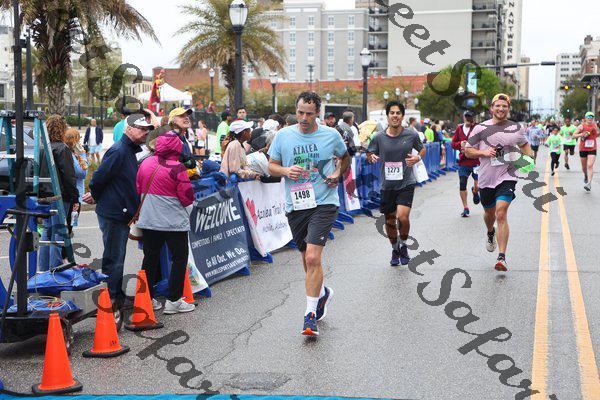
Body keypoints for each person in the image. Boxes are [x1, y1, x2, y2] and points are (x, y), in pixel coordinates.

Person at [268, 91, 350, 337]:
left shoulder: (330, 135)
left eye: (309, 114)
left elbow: (345, 158)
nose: (304, 118)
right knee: (306, 258)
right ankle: (322, 293)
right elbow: (271, 166)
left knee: (313, 257)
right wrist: (285, 171)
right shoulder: (283, 136)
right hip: (296, 205)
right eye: (300, 112)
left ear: (318, 114)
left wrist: (337, 173)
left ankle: (310, 315)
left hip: (324, 202)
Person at [83, 112, 154, 311]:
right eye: (141, 128)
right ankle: (111, 299)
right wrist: (96, 195)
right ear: (128, 129)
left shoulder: (128, 150)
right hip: (114, 212)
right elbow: (98, 178)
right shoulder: (119, 150)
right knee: (114, 257)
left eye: (147, 129)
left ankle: (116, 295)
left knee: (117, 256)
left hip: (119, 211)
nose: (145, 132)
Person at [464, 94, 532, 272]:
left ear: (508, 108)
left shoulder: (516, 128)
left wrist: (528, 159)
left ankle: (502, 257)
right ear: (491, 108)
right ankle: (490, 232)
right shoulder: (481, 128)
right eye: (498, 106)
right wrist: (484, 153)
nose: (501, 109)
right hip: (486, 178)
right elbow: (467, 151)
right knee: (489, 214)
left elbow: (525, 145)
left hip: (507, 175)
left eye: (504, 106)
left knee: (501, 213)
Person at [136, 130, 196, 314]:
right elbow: (187, 198)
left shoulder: (146, 163)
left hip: (149, 220)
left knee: (150, 258)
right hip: (173, 222)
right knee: (179, 258)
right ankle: (174, 300)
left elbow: (138, 187)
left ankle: (147, 298)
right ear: (177, 148)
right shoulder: (178, 168)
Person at [366, 101, 425, 267]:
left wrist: (418, 157)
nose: (395, 116)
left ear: (402, 116)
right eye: (392, 113)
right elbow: (369, 153)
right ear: (387, 116)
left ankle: (404, 245)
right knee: (390, 221)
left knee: (402, 216)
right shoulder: (379, 137)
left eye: (398, 113)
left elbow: (422, 149)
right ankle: (395, 249)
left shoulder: (411, 135)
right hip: (387, 185)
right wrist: (370, 157)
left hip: (406, 182)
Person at [38, 115, 79, 271]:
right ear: (62, 129)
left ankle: (43, 269)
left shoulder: (42, 148)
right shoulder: (62, 149)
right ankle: (54, 270)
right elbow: (69, 177)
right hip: (60, 196)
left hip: (44, 195)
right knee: (58, 233)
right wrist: (75, 197)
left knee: (47, 232)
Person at [451, 111, 480, 217]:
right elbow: (453, 144)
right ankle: (465, 207)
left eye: (470, 118)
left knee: (478, 185)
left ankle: (475, 191)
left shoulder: (477, 128)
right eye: (466, 118)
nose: (468, 120)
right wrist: (460, 144)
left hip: (476, 161)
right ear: (463, 118)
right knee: (462, 183)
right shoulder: (459, 128)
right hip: (464, 162)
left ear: (473, 119)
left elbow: (483, 142)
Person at [64, 128, 88, 231]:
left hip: (72, 193)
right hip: (74, 195)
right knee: (69, 227)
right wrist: (83, 154)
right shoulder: (71, 155)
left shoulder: (70, 153)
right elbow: (82, 173)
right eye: (78, 140)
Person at [573, 111, 598, 191]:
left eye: (592, 117)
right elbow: (573, 135)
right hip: (583, 149)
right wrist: (581, 134)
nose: (590, 118)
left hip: (592, 148)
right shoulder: (581, 126)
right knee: (584, 168)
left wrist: (596, 131)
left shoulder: (595, 125)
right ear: (585, 118)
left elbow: (597, 134)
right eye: (588, 117)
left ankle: (589, 184)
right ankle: (586, 175)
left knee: (590, 165)